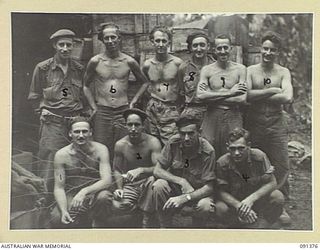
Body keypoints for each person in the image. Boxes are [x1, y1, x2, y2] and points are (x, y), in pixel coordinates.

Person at [28, 29, 85, 193]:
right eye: (62, 45)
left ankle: (72, 201)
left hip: (75, 122)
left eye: (69, 45)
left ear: (73, 46)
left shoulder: (79, 68)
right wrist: (41, 110)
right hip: (53, 122)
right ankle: (45, 202)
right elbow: (34, 95)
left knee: (77, 161)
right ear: (55, 45)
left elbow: (85, 94)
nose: (65, 48)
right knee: (49, 162)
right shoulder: (43, 68)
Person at [83, 23, 149, 159]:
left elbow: (145, 82)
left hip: (122, 110)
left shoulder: (129, 61)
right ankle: (105, 177)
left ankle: (122, 177)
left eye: (113, 37)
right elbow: (85, 85)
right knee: (101, 147)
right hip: (103, 110)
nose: (110, 41)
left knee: (123, 146)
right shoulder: (95, 61)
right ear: (101, 40)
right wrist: (93, 107)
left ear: (119, 39)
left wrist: (133, 102)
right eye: (106, 38)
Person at [246, 31, 293, 199]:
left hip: (276, 123)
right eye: (265, 49)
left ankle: (279, 200)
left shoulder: (283, 72)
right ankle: (256, 199)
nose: (268, 53)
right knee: (255, 160)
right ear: (260, 49)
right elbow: (247, 95)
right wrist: (273, 90)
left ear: (278, 52)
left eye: (272, 50)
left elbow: (287, 97)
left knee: (280, 162)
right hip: (255, 122)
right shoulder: (251, 70)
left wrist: (259, 93)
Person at [152, 115, 216, 228]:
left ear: (199, 132)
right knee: (159, 185)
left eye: (191, 133)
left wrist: (186, 198)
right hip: (176, 190)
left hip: (197, 193)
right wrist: (181, 181)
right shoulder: (173, 142)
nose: (186, 138)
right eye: (182, 133)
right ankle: (165, 225)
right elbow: (157, 170)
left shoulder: (208, 151)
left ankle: (197, 229)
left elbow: (209, 187)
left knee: (205, 206)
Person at [215, 127, 285, 229]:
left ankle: (265, 223)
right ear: (227, 147)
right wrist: (239, 205)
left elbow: (272, 183)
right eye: (232, 149)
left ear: (249, 146)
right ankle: (236, 224)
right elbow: (220, 191)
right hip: (234, 202)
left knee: (277, 196)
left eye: (241, 148)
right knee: (220, 208)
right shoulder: (222, 162)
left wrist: (251, 199)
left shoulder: (259, 156)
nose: (237, 153)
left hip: (255, 200)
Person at [51, 117, 113, 228]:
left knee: (104, 197)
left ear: (90, 133)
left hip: (96, 192)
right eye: (76, 132)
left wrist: (84, 191)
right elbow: (59, 187)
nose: (81, 135)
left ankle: (99, 224)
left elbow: (107, 180)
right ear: (70, 134)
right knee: (56, 217)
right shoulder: (61, 155)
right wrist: (64, 210)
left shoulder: (101, 150)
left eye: (84, 131)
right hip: (73, 193)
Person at [196, 34, 248, 158]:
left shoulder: (240, 69)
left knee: (234, 148)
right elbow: (200, 95)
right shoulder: (207, 70)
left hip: (233, 114)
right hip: (212, 115)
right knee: (208, 148)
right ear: (214, 50)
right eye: (219, 48)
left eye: (225, 47)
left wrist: (211, 95)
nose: (223, 51)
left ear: (231, 48)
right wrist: (231, 92)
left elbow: (241, 99)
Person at [112, 108, 162, 227]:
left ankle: (146, 216)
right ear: (125, 126)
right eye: (130, 124)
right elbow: (117, 169)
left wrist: (142, 170)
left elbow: (160, 169)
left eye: (137, 125)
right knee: (118, 205)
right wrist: (120, 188)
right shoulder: (120, 145)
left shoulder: (153, 142)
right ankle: (141, 209)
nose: (133, 128)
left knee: (154, 182)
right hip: (131, 184)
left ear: (143, 126)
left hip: (149, 182)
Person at [142, 26, 184, 145]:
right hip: (153, 110)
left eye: (164, 41)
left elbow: (183, 89)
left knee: (171, 144)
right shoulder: (147, 65)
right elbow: (146, 85)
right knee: (152, 143)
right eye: (157, 41)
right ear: (152, 42)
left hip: (171, 109)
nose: (160, 44)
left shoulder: (177, 63)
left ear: (169, 42)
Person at [180, 30, 215, 122]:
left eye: (202, 45)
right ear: (190, 48)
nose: (199, 49)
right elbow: (181, 92)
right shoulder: (183, 68)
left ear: (208, 46)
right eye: (195, 45)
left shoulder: (216, 67)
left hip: (211, 111)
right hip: (190, 111)